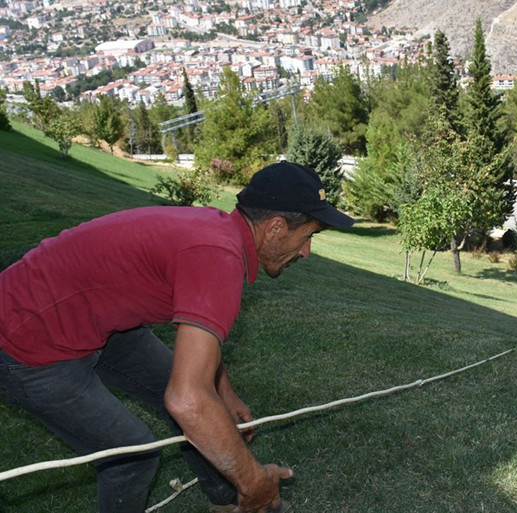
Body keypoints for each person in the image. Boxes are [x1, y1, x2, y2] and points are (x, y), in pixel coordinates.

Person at [0, 162, 354, 513]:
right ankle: (243, 498)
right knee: (132, 455)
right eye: (308, 236)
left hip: (91, 317)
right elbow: (187, 400)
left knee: (203, 401)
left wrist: (223, 393)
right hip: (25, 338)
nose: (306, 251)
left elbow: (199, 355)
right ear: (276, 228)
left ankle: (228, 503)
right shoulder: (218, 258)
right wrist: (256, 483)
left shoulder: (218, 231)